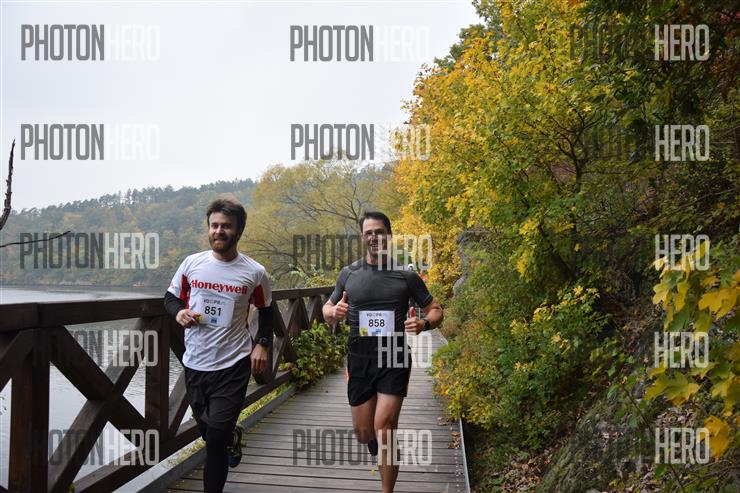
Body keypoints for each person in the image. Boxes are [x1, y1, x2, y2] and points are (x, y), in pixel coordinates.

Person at [322, 211, 443, 493]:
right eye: (369, 233)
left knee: (385, 427)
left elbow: (436, 310)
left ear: (389, 234)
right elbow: (326, 309)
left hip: (393, 356)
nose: (374, 237)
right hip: (360, 358)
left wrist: (423, 323)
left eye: (379, 231)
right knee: (364, 432)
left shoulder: (406, 276)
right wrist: (333, 312)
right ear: (363, 237)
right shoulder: (349, 274)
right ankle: (376, 445)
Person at [163, 197, 274, 493]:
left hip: (233, 363)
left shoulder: (255, 272)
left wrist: (262, 344)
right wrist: (179, 312)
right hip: (195, 362)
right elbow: (170, 297)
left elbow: (267, 310)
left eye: (226, 226)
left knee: (213, 441)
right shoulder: (192, 264)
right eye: (214, 225)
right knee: (209, 431)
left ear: (239, 230)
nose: (218, 231)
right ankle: (231, 436)